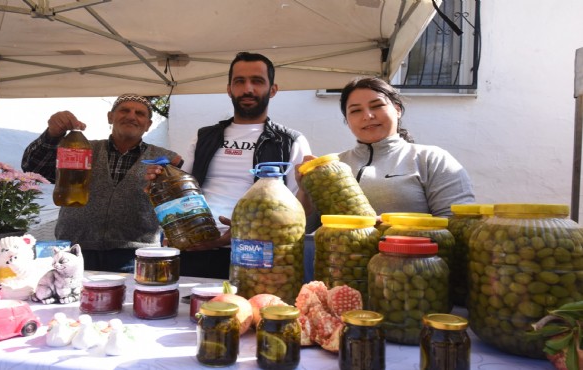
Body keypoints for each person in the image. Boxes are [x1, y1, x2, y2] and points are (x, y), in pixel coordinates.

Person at [148, 52, 312, 279]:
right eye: (239, 82)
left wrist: (240, 233)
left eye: (257, 81)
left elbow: (298, 211)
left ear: (273, 90)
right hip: (195, 248)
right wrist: (161, 180)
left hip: (257, 255)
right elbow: (182, 192)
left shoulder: (291, 141)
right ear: (229, 89)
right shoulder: (204, 137)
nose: (248, 89)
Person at [22, 94, 182, 273]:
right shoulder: (79, 149)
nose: (131, 116)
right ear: (110, 117)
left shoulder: (166, 159)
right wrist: (52, 135)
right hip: (76, 250)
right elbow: (35, 168)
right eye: (124, 110)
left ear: (148, 125)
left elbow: (182, 201)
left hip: (136, 254)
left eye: (140, 113)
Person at [300, 76, 475, 220]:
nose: (368, 116)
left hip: (411, 261)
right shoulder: (333, 166)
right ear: (347, 120)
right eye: (355, 111)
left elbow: (458, 223)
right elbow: (308, 228)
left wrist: (388, 226)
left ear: (397, 110)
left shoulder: (431, 159)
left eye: (377, 106)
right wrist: (305, 189)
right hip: (344, 261)